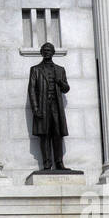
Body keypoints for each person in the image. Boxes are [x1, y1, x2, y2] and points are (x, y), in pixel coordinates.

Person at [28, 42, 70, 170]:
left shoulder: (60, 70)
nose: (47, 52)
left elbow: (66, 88)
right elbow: (31, 90)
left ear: (53, 52)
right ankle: (47, 163)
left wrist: (60, 82)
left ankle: (59, 162)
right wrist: (35, 108)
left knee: (57, 134)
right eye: (44, 50)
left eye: (49, 50)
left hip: (56, 107)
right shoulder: (35, 69)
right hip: (42, 106)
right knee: (44, 135)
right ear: (41, 52)